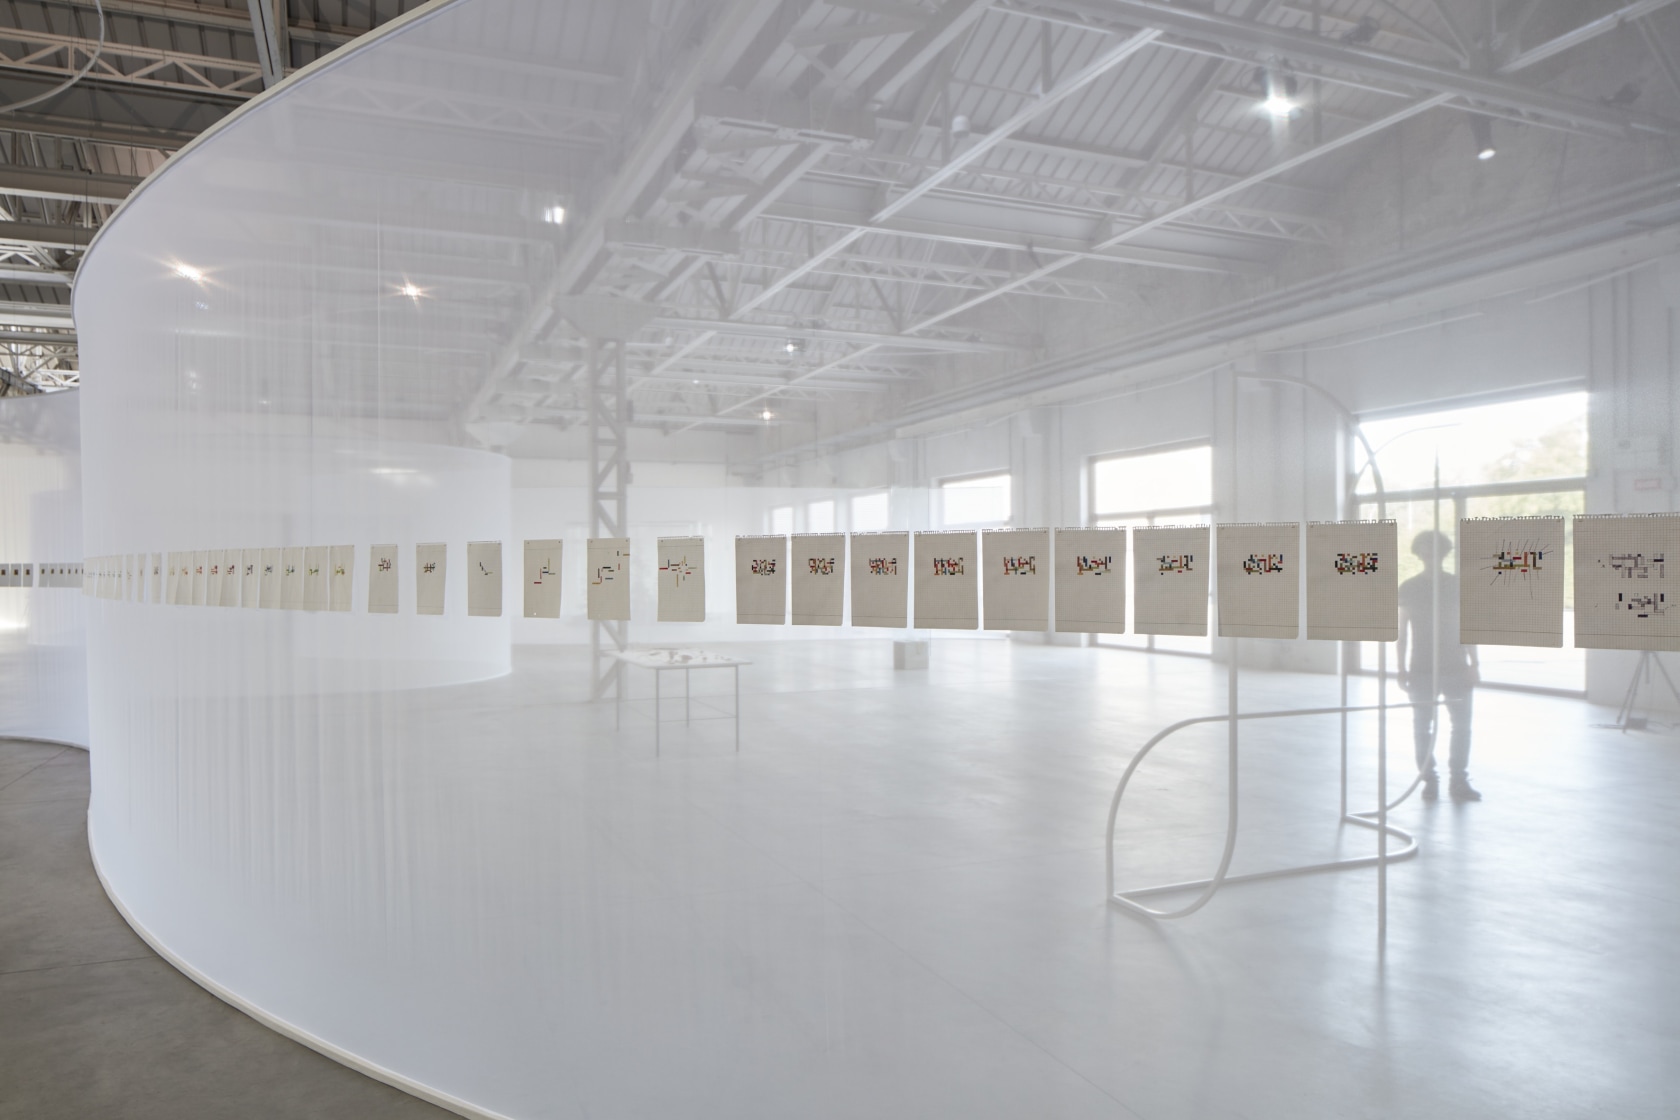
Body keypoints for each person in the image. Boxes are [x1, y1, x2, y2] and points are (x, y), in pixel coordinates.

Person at [1397, 529, 1482, 802]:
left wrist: (1474, 663)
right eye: (1425, 549)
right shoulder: (1409, 588)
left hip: (1455, 666)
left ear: (1443, 553)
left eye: (1433, 549)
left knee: (1460, 725)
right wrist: (1400, 667)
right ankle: (1430, 780)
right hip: (1422, 667)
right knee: (1423, 726)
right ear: (1419, 553)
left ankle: (1458, 780)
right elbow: (1402, 631)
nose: (1429, 555)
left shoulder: (1457, 585)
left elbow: (1468, 626)